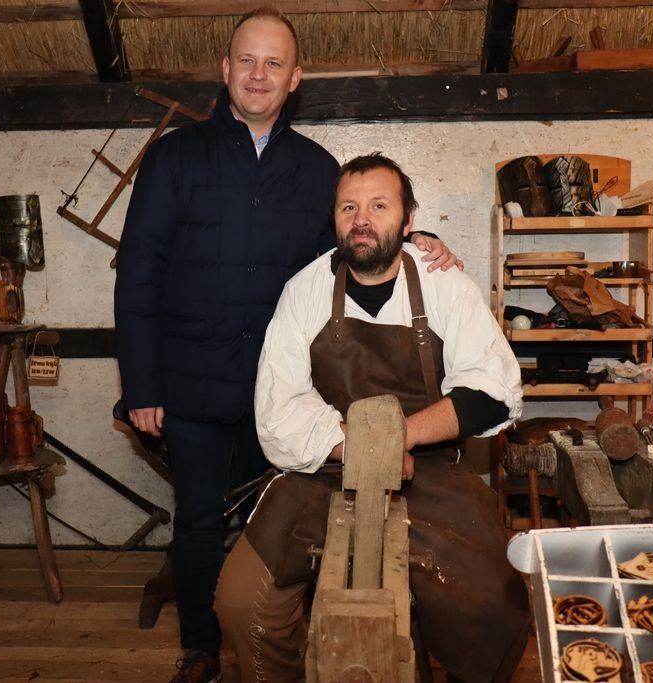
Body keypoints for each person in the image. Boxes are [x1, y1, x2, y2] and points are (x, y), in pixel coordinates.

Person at [114, 8, 461, 683]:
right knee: (197, 521)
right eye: (247, 60)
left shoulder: (317, 169)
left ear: (295, 78)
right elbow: (138, 271)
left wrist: (417, 242)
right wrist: (142, 384)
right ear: (225, 69)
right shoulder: (174, 158)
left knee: (281, 527)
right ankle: (201, 651)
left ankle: (274, 648)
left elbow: (356, 249)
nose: (258, 74)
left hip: (286, 392)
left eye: (274, 63)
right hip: (190, 381)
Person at [214, 153, 530, 683]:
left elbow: (493, 390)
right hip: (322, 468)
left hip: (429, 473)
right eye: (349, 207)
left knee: (495, 607)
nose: (361, 220)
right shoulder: (304, 291)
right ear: (335, 218)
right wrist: (359, 447)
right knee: (241, 603)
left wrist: (397, 438)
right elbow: (278, 408)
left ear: (408, 220)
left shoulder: (444, 285)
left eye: (379, 206)